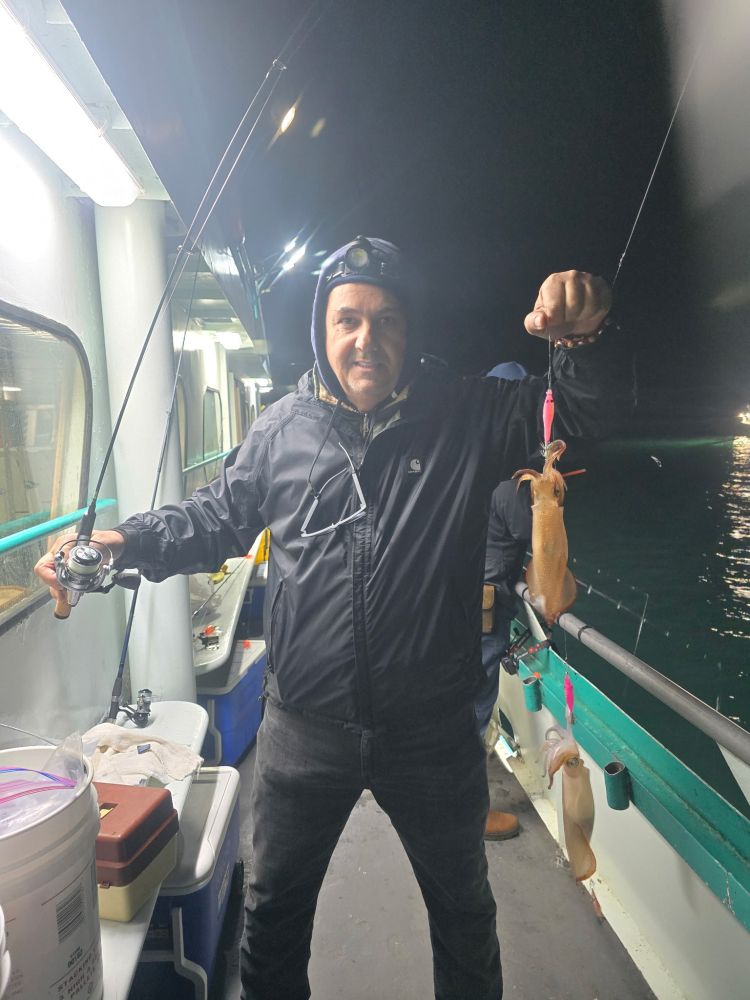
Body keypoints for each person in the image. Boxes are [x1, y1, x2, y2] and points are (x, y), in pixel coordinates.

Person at [36, 237, 630, 1000]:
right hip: (301, 731)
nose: (366, 339)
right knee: (273, 914)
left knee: (463, 912)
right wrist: (118, 545)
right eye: (348, 318)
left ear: (410, 331)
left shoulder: (469, 412)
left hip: (433, 733)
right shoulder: (280, 429)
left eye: (386, 320)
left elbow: (581, 416)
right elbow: (212, 520)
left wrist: (581, 337)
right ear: (322, 326)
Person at [475, 364, 534, 842]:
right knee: (475, 707)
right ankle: (471, 815)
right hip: (485, 609)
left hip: (456, 600)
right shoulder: (507, 477)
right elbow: (530, 532)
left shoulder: (466, 462)